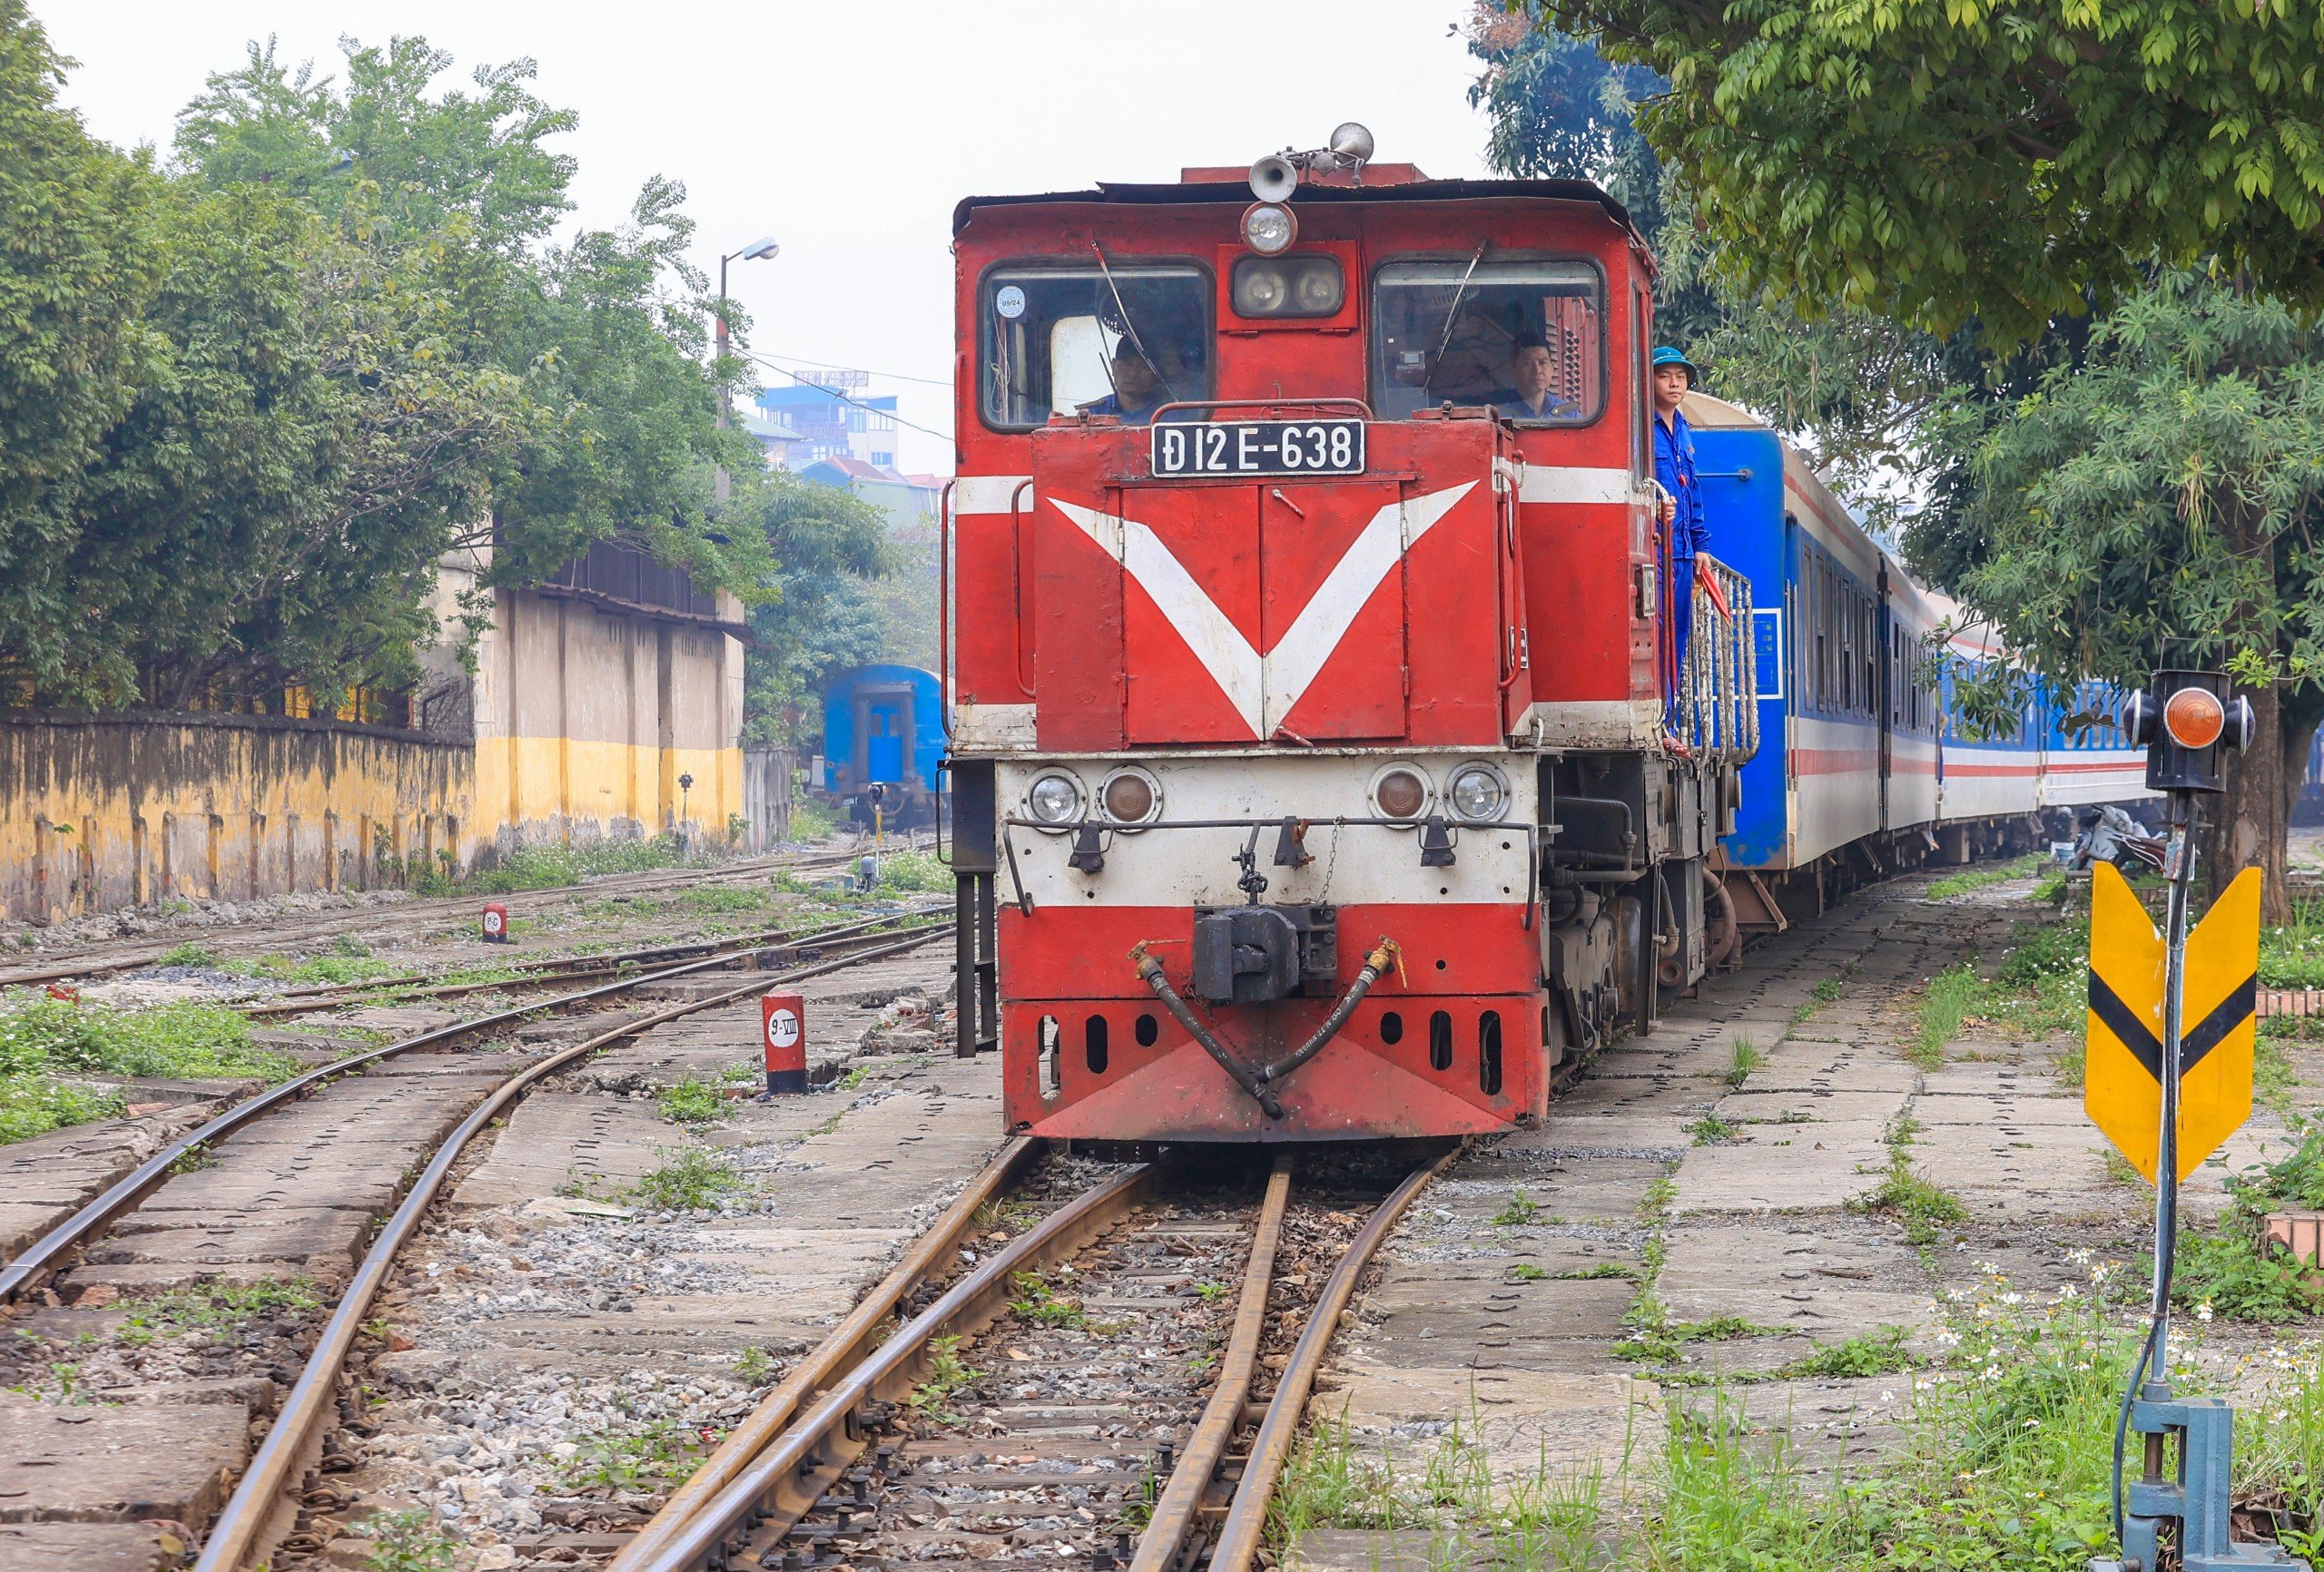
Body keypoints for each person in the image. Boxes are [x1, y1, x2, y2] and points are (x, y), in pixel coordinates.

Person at [1651, 346, 1711, 733]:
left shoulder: (1685, 428)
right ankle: (1656, 717)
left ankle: (1669, 720)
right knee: (1655, 634)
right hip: (1656, 551)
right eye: (1664, 375)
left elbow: (1693, 493)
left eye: (1681, 376)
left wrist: (1702, 545)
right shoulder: (1642, 427)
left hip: (1684, 555)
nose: (1675, 383)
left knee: (1678, 638)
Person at [1081, 340, 1176, 425]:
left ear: (1156, 374)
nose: (1133, 373)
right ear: (1113, 366)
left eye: (1143, 367)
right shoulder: (1093, 413)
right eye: (1127, 364)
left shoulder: (1168, 414)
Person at [1492, 336, 1581, 420]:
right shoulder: (1500, 415)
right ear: (1514, 370)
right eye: (1527, 363)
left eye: (1543, 363)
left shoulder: (1569, 414)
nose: (1537, 370)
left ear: (1552, 368)